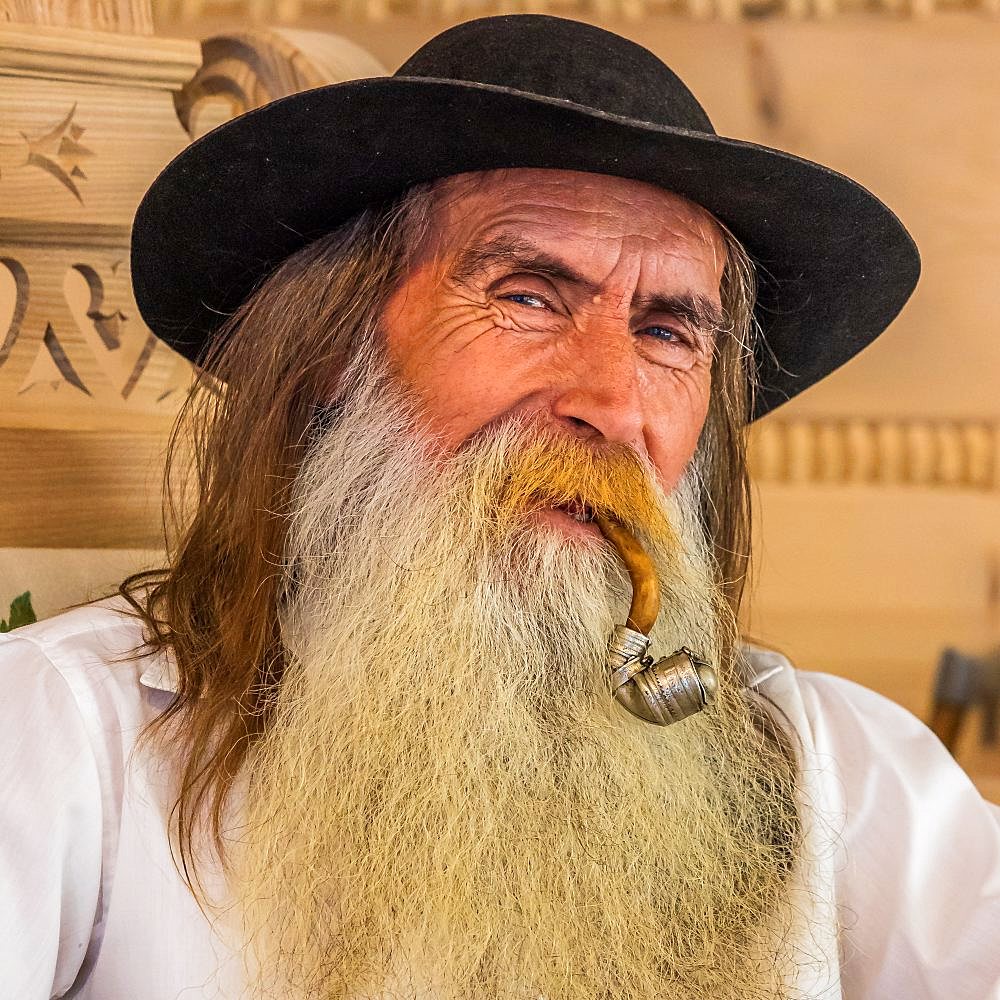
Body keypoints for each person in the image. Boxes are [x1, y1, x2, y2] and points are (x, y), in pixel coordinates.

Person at [2, 14, 998, 1000]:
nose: (610, 403)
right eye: (527, 296)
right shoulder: (68, 737)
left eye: (665, 331)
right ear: (328, 356)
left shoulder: (832, 766)